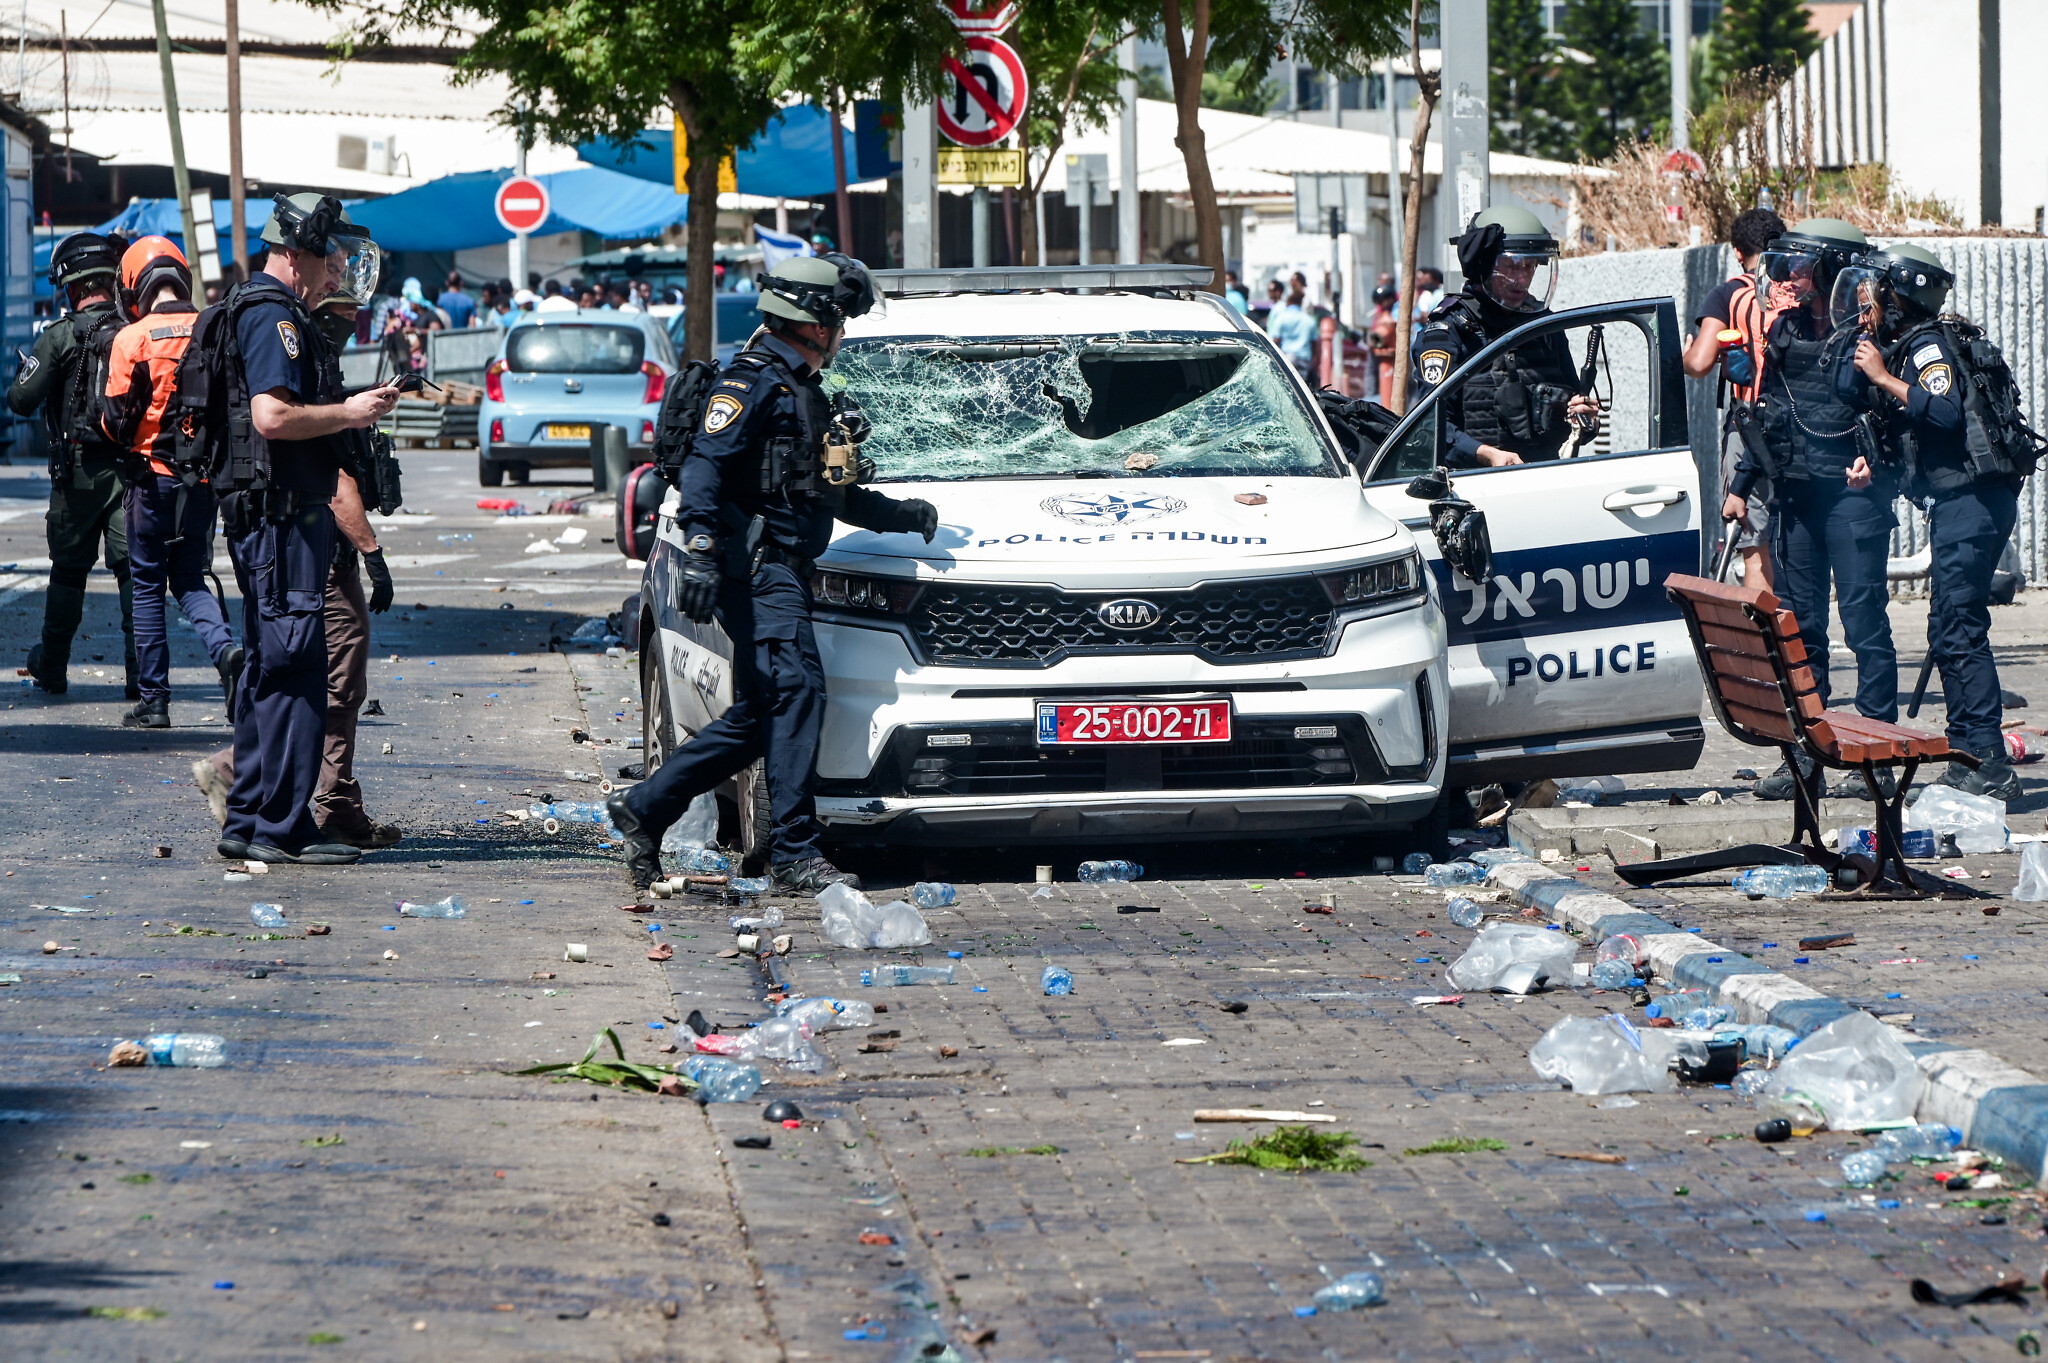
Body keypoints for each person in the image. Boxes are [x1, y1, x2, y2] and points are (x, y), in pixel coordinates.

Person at [604, 253, 938, 895]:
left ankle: (644, 809)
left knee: (765, 713)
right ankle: (793, 851)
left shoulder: (801, 390)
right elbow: (704, 466)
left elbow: (821, 492)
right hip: (758, 572)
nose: (842, 333)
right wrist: (702, 545)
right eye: (839, 320)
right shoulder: (752, 381)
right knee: (798, 692)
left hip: (780, 570)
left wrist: (900, 516)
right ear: (815, 322)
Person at [213, 193, 398, 865]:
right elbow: (272, 417)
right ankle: (283, 828)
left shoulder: (259, 307)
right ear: (296, 253)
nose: (335, 274)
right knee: (296, 669)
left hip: (273, 516)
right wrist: (349, 413)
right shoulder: (274, 316)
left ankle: (247, 819)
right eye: (330, 260)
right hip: (282, 517)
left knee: (270, 666)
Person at [1840, 244, 2026, 801]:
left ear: (1900, 296)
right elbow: (1917, 440)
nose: (1867, 306)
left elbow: (1943, 412)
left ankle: (1989, 761)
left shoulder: (1927, 347)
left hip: (1974, 503)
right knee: (1948, 628)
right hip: (1960, 503)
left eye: (1875, 295)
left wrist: (1881, 376)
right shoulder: (1912, 347)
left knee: (1960, 629)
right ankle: (1967, 756)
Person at [1732, 218, 1896, 802]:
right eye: (1790, 265)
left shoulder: (1869, 338)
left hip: (1853, 502)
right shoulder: (1786, 331)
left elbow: (1895, 418)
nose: (1793, 277)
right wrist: (1741, 483)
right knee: (1802, 631)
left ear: (1832, 271)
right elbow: (1768, 414)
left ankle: (1875, 754)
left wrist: (1877, 464)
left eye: (1804, 266)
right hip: (1797, 498)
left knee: (1864, 624)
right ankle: (1806, 756)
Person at [101, 235, 240, 728]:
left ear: (133, 286)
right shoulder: (211, 327)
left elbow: (115, 423)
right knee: (189, 579)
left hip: (150, 482)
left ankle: (155, 700)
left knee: (146, 587)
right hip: (201, 482)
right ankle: (225, 650)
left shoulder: (132, 339)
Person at [8, 231, 136, 698]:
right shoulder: (133, 332)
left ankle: (54, 667)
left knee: (67, 573)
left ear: (75, 287)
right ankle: (142, 677)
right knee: (132, 573)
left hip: (76, 474)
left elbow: (21, 399)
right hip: (130, 471)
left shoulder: (60, 336)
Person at [1410, 205, 1598, 467]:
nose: (1521, 279)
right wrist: (1486, 454)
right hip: (1472, 481)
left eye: (1530, 267)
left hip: (1545, 476)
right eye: (1512, 267)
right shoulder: (1450, 331)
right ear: (1484, 265)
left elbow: (1570, 410)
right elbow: (1429, 425)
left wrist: (1582, 416)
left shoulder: (1543, 326)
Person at [1687, 206, 1788, 590]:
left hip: (1749, 429)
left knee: (1754, 546)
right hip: (1799, 424)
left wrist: (1684, 354)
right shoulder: (1797, 289)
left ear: (1737, 251)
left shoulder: (1728, 293)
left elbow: (1700, 363)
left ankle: (1761, 627)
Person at [1268, 287, 1316, 380]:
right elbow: (1315, 344)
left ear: (1288, 302)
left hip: (1287, 358)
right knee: (1302, 385)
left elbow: (1276, 339)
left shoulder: (1281, 318)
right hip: (1304, 359)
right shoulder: (1309, 320)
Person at [1366, 281, 1399, 406]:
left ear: (1391, 299)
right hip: (1378, 348)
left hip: (1395, 352)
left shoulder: (1396, 312)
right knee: (1371, 374)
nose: (1381, 304)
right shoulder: (1380, 313)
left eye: (1383, 300)